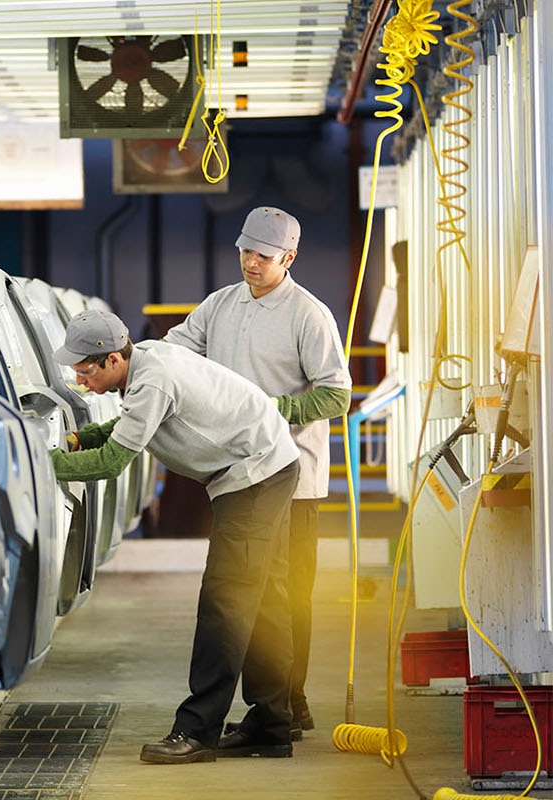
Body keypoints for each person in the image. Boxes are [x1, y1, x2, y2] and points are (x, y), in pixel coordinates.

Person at [49, 309, 300, 764]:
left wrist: (41, 462)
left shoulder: (154, 379)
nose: (78, 379)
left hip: (254, 474)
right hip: (271, 463)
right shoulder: (146, 361)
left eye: (84, 369)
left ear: (110, 360)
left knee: (226, 603)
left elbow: (111, 461)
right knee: (262, 600)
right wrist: (79, 440)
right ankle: (271, 725)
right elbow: (130, 427)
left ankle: (197, 731)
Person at [164, 206, 352, 742]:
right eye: (245, 250)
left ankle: (288, 704)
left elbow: (337, 394)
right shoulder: (220, 305)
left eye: (263, 255)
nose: (250, 261)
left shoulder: (307, 315)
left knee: (288, 595)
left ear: (288, 258)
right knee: (263, 595)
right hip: (239, 475)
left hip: (295, 478)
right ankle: (282, 711)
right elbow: (177, 351)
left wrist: (270, 411)